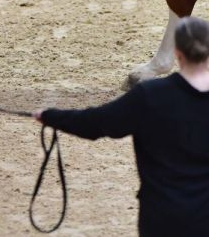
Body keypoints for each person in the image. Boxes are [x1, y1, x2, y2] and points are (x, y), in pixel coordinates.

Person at [35, 16, 209, 236]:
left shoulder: (149, 96)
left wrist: (51, 116)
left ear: (176, 52)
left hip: (162, 219)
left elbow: (95, 123)